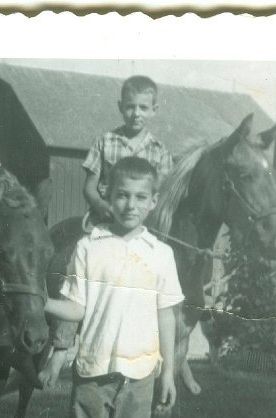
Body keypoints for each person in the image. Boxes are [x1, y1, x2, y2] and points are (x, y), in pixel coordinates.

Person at [45, 157, 184, 418]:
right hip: (93, 372)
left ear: (153, 201)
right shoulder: (89, 248)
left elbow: (167, 314)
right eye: (122, 194)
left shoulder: (161, 254)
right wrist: (44, 303)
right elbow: (76, 307)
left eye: (141, 197)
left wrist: (169, 371)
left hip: (141, 375)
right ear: (106, 193)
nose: (130, 203)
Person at [39, 75, 173, 389]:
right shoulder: (106, 141)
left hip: (142, 225)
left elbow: (160, 195)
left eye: (143, 107)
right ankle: (60, 348)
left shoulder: (161, 151)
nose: (136, 113)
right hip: (104, 218)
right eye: (130, 107)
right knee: (77, 270)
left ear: (154, 110)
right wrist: (105, 207)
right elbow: (89, 186)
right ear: (120, 108)